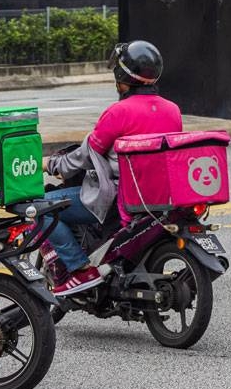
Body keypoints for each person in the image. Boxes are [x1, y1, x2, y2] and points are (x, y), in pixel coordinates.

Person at [40, 40, 183, 296]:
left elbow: (85, 155)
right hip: (159, 195)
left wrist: (51, 164)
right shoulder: (173, 110)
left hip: (119, 197)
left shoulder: (118, 112)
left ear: (121, 76)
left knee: (41, 209)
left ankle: (79, 269)